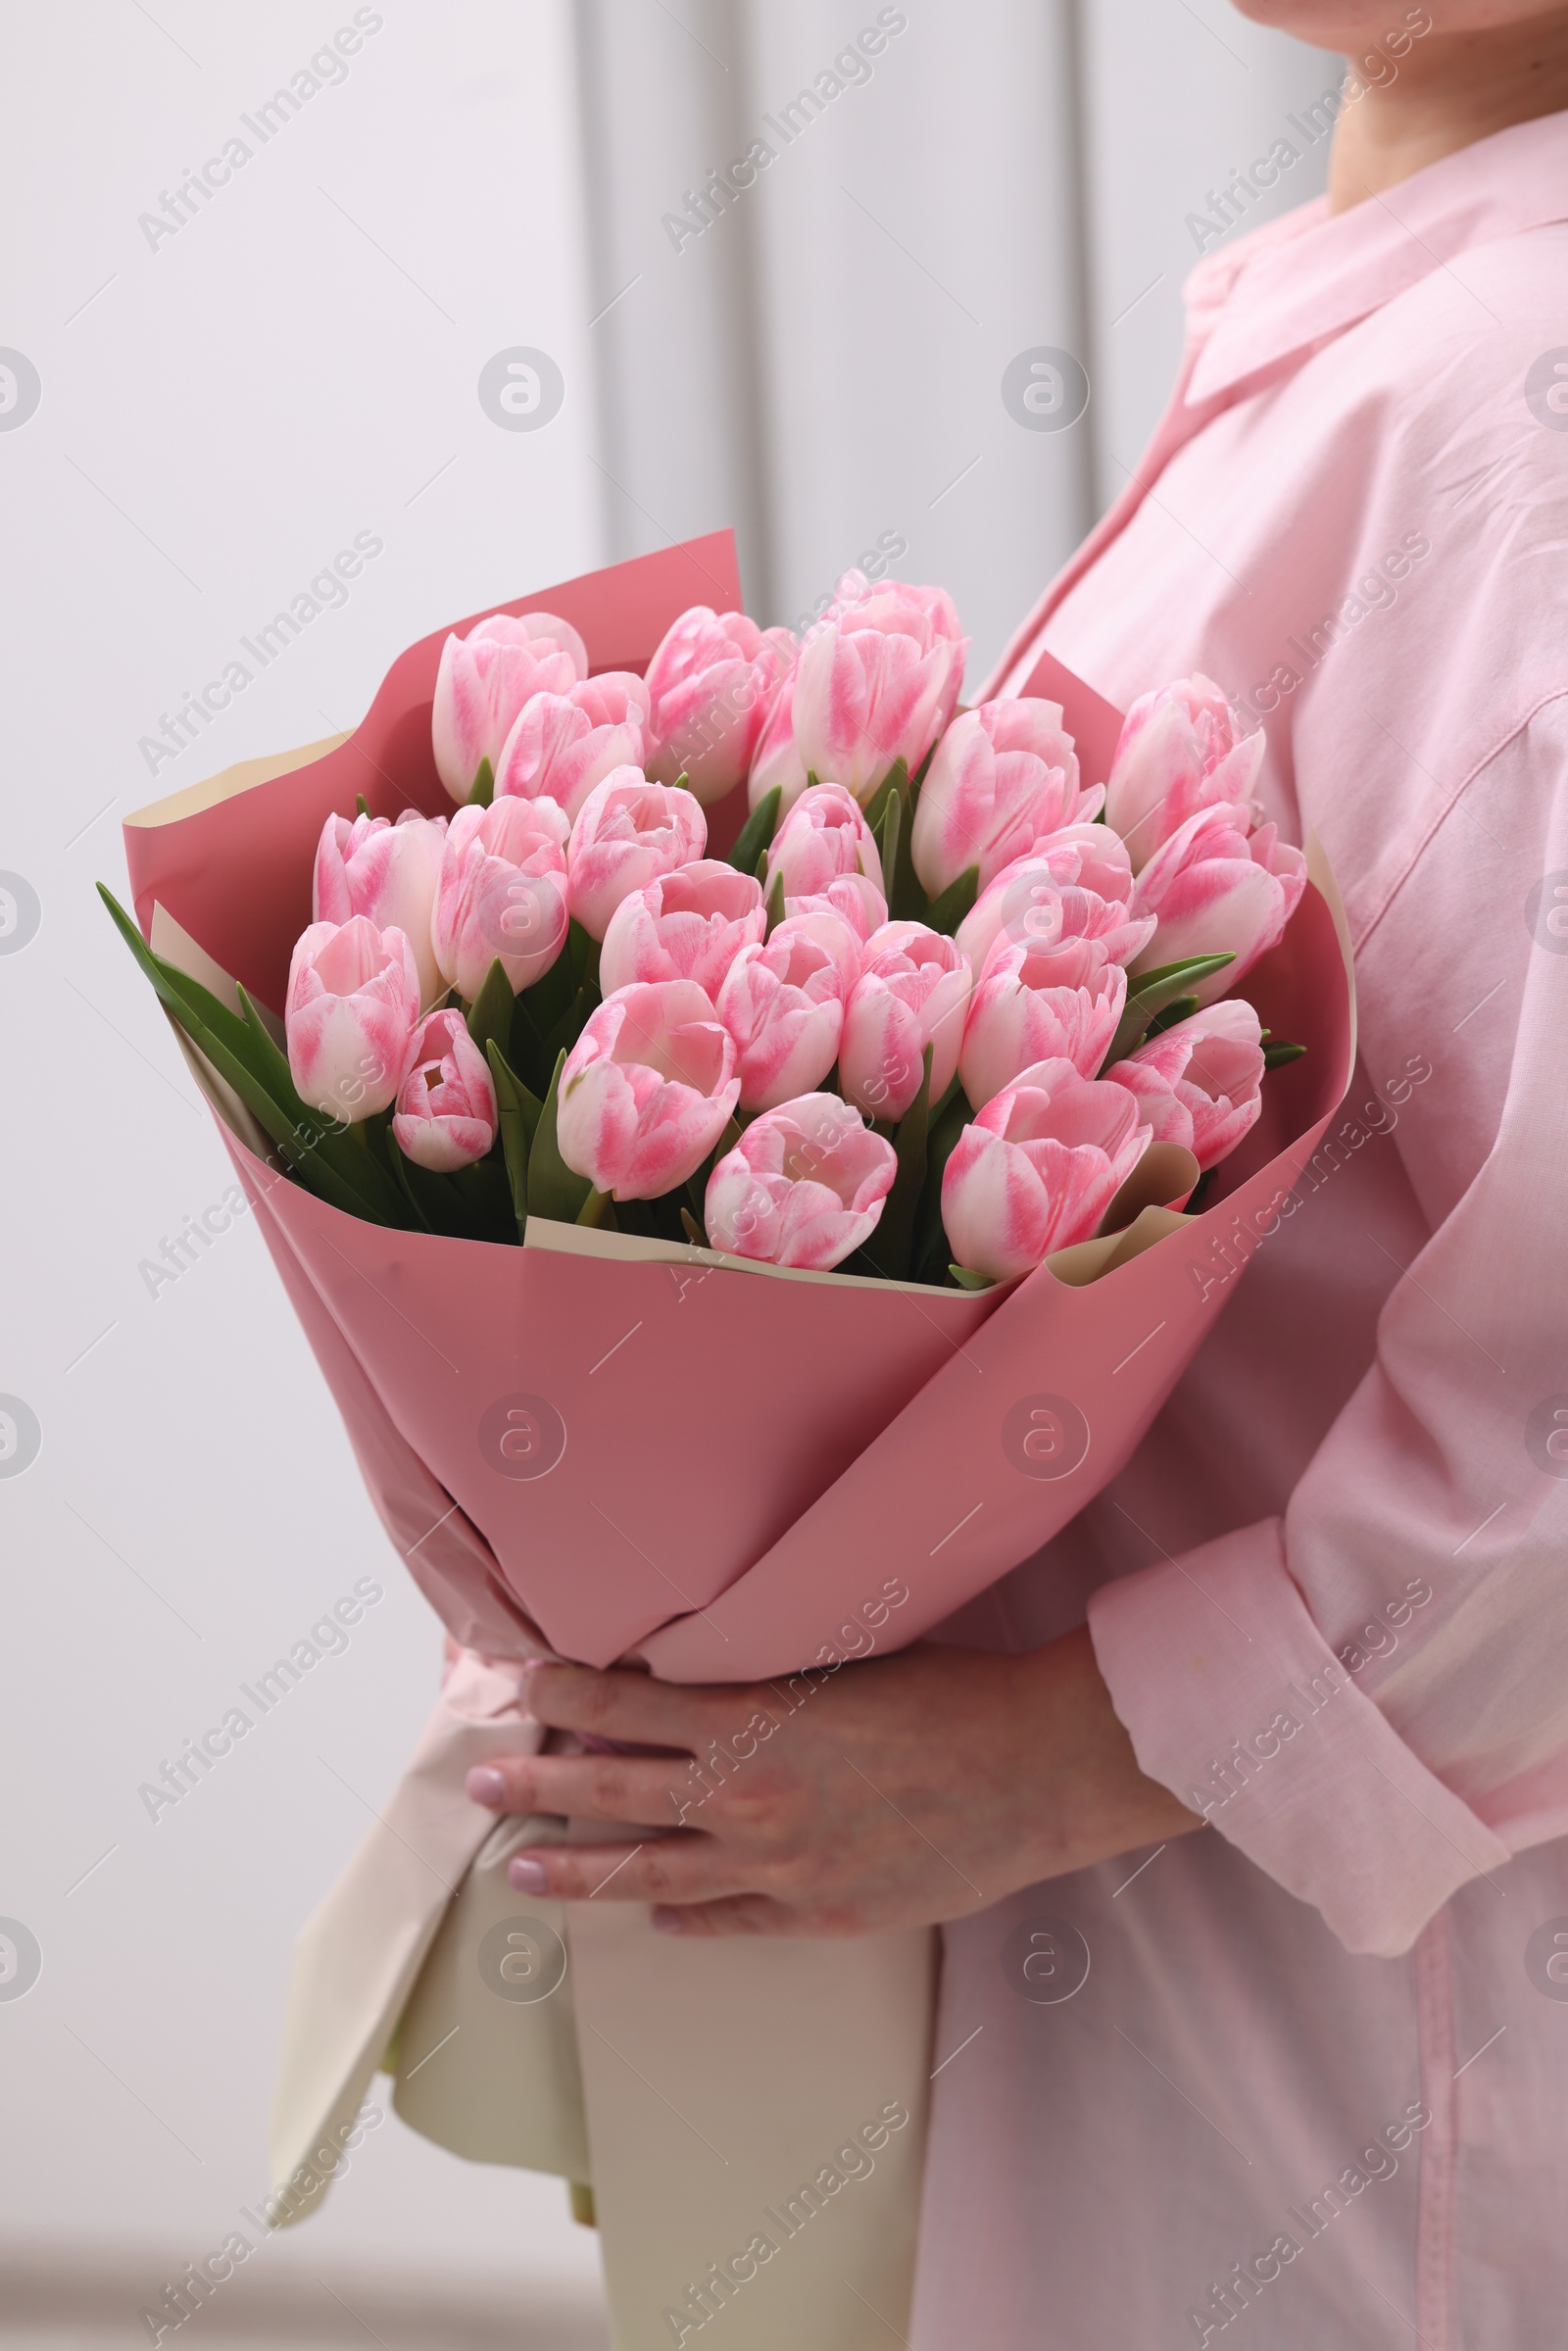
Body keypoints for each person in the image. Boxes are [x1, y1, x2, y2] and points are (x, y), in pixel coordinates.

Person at [466, 6, 1568, 2340]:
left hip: (1371, 2038)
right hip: (1191, 1978)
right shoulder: (1393, 309)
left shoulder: (1524, 389)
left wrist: (1075, 1751)